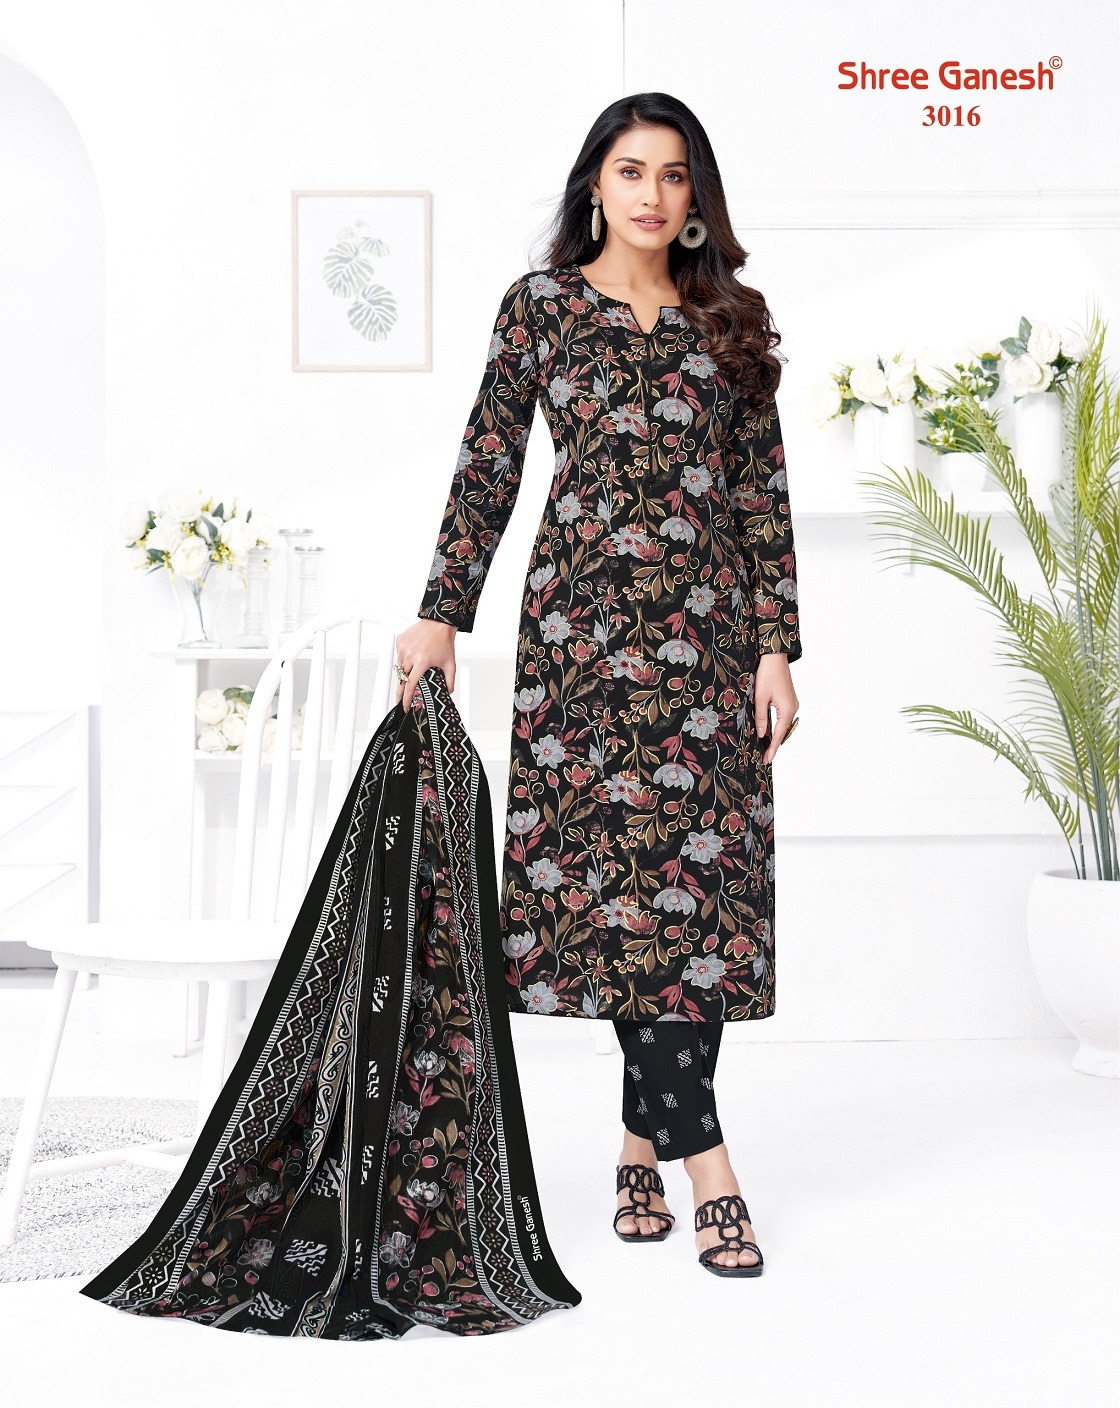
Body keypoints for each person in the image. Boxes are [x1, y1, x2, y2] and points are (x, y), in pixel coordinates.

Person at [394, 92, 802, 1279]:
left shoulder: (731, 322)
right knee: (617, 900)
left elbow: (759, 494)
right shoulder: (542, 308)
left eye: (674, 175)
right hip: (579, 648)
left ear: (695, 196)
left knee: (694, 909)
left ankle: (639, 1144)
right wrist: (441, 609)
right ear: (594, 186)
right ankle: (709, 1167)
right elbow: (488, 462)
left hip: (710, 646)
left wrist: (776, 644)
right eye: (631, 171)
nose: (652, 194)